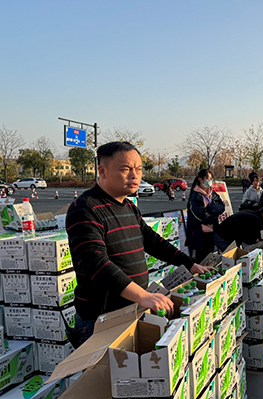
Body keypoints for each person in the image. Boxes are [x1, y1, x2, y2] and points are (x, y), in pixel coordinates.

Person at [66, 141, 210, 347]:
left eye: (139, 169)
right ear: (102, 171)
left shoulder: (128, 207)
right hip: (102, 319)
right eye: (126, 169)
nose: (135, 176)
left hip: (132, 309)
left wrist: (190, 264)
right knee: (107, 368)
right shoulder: (85, 209)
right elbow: (95, 263)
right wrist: (143, 296)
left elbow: (153, 242)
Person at [186, 169, 225, 262]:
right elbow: (201, 215)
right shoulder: (196, 196)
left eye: (211, 179)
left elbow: (222, 206)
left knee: (210, 257)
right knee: (201, 259)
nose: (210, 181)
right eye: (207, 178)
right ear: (200, 179)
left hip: (212, 231)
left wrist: (210, 209)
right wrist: (214, 215)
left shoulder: (212, 194)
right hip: (199, 234)